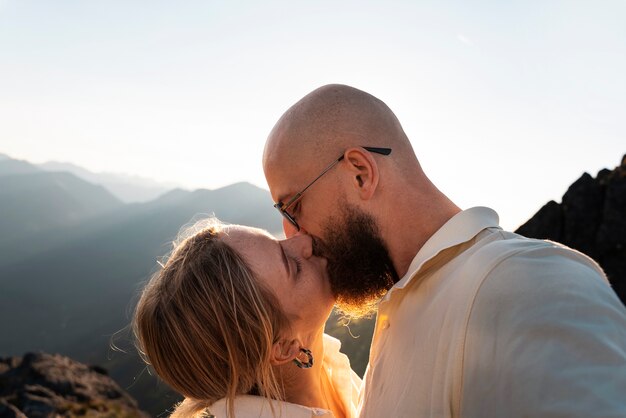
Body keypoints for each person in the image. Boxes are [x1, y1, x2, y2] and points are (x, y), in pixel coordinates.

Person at [263, 84, 626, 417]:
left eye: (293, 208)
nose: (295, 237)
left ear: (360, 173)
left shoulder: (531, 284)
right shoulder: (406, 306)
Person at [133, 218, 360, 418]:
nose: (305, 241)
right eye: (294, 267)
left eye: (278, 241)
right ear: (282, 348)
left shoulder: (332, 373)